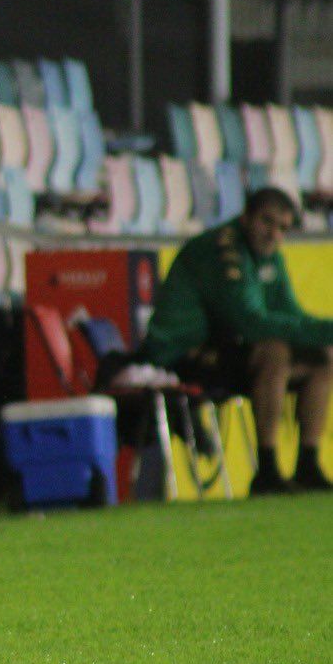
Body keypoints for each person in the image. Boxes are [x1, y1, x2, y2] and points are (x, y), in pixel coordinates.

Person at [138, 187, 333, 494]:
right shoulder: (222, 251)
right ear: (246, 218)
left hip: (224, 351)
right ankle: (267, 469)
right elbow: (250, 323)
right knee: (274, 352)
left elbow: (291, 314)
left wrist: (326, 333)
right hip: (180, 356)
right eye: (266, 222)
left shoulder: (268, 258)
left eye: (282, 227)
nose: (273, 234)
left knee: (322, 358)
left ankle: (307, 463)